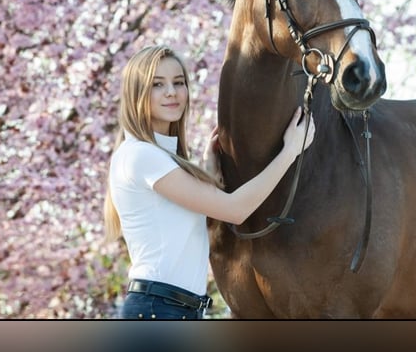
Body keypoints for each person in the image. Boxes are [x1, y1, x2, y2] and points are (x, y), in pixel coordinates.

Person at [103, 45, 315, 320]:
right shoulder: (142, 155)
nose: (171, 92)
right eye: (157, 85)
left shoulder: (158, 157)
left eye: (178, 83)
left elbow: (183, 225)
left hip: (174, 309)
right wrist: (289, 152)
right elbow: (234, 210)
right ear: (136, 94)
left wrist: (206, 173)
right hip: (159, 309)